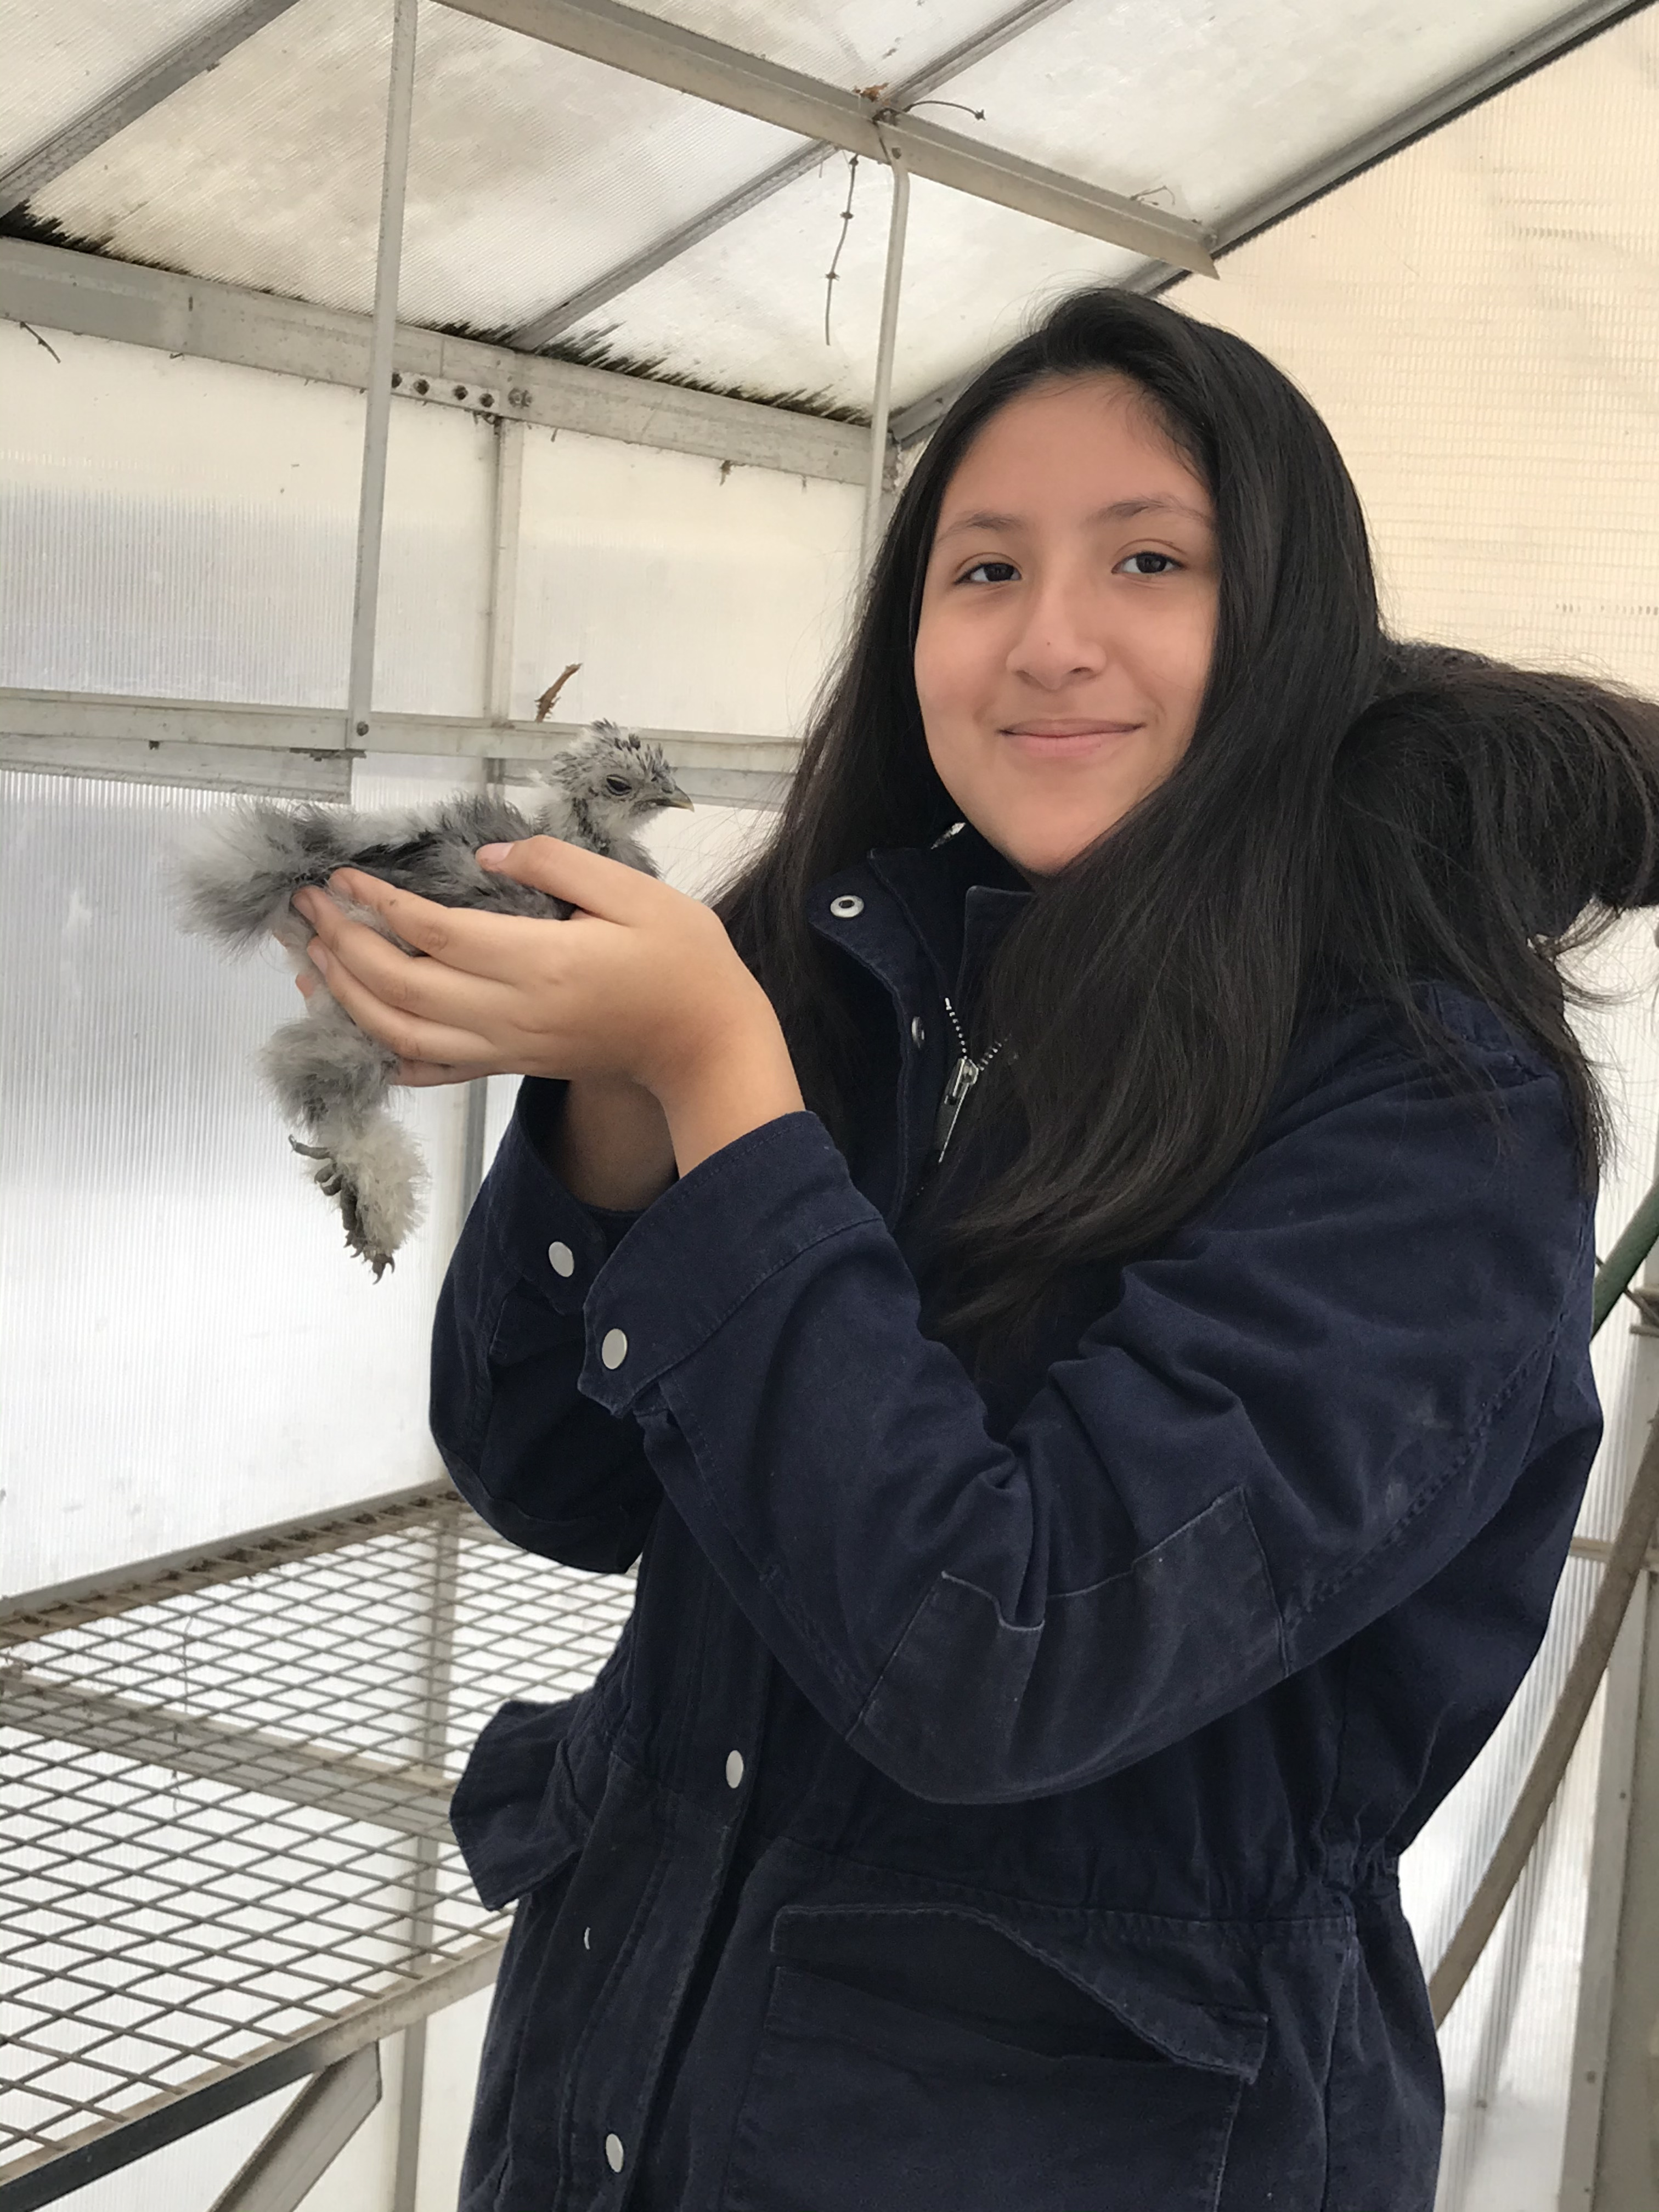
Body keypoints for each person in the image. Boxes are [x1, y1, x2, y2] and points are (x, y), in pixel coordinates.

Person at [289, 286, 1659, 2210]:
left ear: (1291, 630)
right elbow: (553, 1475)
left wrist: (714, 1076)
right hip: (622, 2102)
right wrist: (618, 1103)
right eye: (983, 567)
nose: (1049, 642)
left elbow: (1003, 1654)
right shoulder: (861, 968)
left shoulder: (1433, 1111)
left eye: (1153, 561)